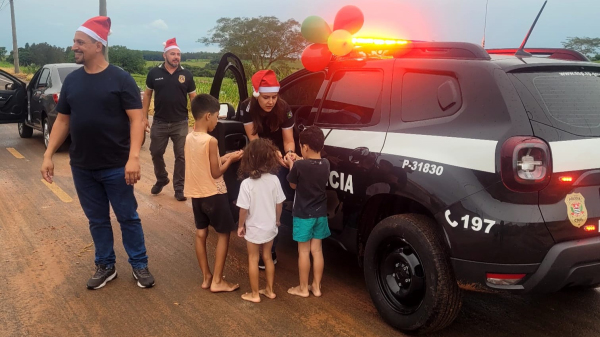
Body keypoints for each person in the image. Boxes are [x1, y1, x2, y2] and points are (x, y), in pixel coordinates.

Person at [40, 16, 155, 289]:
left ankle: (139, 264)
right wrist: (48, 155)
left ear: (97, 45)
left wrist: (133, 158)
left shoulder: (121, 79)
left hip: (117, 165)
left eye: (80, 42)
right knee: (97, 220)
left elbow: (137, 120)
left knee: (127, 216)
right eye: (74, 42)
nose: (74, 47)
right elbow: (62, 121)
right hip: (82, 166)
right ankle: (106, 265)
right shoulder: (72, 82)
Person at [238, 70, 298, 267]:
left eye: (274, 97)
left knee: (273, 201)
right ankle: (254, 242)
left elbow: (289, 140)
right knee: (255, 201)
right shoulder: (246, 107)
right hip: (257, 154)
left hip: (278, 156)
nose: (271, 101)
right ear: (257, 95)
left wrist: (289, 154)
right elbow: (253, 139)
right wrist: (270, 154)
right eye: (266, 97)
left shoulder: (284, 108)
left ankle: (270, 249)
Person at [184, 94, 243, 292]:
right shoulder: (211, 141)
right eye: (217, 117)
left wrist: (224, 156)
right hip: (214, 194)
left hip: (197, 194)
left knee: (201, 233)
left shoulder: (189, 137)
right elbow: (216, 172)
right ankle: (218, 280)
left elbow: (203, 162)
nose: (217, 121)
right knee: (224, 234)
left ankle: (206, 277)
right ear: (208, 116)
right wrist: (230, 161)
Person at [143, 37, 197, 201]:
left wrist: (198, 121)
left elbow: (193, 98)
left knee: (181, 156)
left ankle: (179, 188)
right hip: (159, 122)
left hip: (180, 122)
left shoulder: (186, 74)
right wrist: (144, 117)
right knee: (156, 152)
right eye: (173, 54)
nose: (176, 57)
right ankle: (162, 178)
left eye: (178, 54)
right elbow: (147, 95)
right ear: (164, 55)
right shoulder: (154, 73)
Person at [236, 139, 286, 303]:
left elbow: (243, 209)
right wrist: (277, 220)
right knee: (268, 257)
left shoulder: (246, 184)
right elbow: (279, 204)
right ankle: (270, 291)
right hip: (270, 228)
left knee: (252, 259)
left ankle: (255, 293)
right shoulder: (274, 180)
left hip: (254, 229)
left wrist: (240, 225)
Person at [284, 126, 331, 298]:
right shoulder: (326, 164)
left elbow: (293, 185)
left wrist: (291, 164)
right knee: (317, 251)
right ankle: (316, 287)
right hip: (320, 213)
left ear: (304, 147)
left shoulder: (300, 166)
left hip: (303, 214)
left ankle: (303, 288)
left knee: (303, 251)